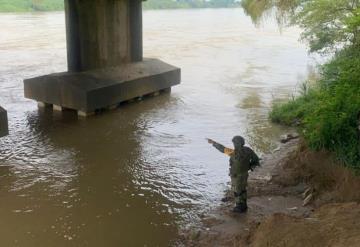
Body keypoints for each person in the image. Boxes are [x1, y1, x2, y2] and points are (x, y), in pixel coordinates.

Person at [207, 136, 260, 213]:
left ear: (237, 143)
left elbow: (222, 149)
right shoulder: (248, 150)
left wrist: (213, 143)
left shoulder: (233, 152)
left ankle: (239, 207)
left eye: (234, 143)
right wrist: (250, 167)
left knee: (237, 190)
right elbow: (256, 160)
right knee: (243, 189)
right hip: (244, 174)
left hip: (236, 175)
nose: (234, 144)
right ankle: (244, 205)